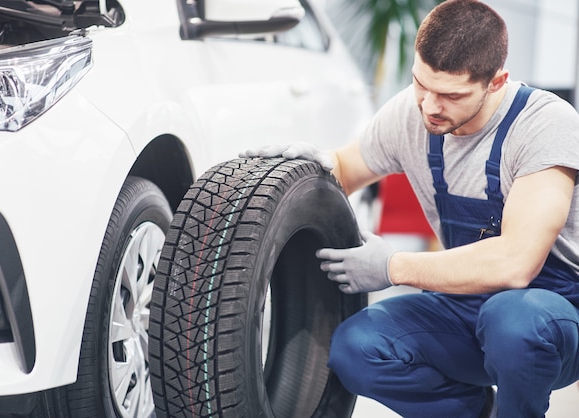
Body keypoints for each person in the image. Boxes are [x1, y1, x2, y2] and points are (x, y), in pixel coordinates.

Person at [240, 0, 579, 416]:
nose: (430, 107)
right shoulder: (412, 112)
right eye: (422, 84)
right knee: (355, 348)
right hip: (464, 305)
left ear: (496, 82)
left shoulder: (545, 125)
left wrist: (391, 267)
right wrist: (309, 165)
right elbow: (345, 169)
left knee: (513, 321)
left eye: (451, 95)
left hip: (551, 316)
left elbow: (516, 264)